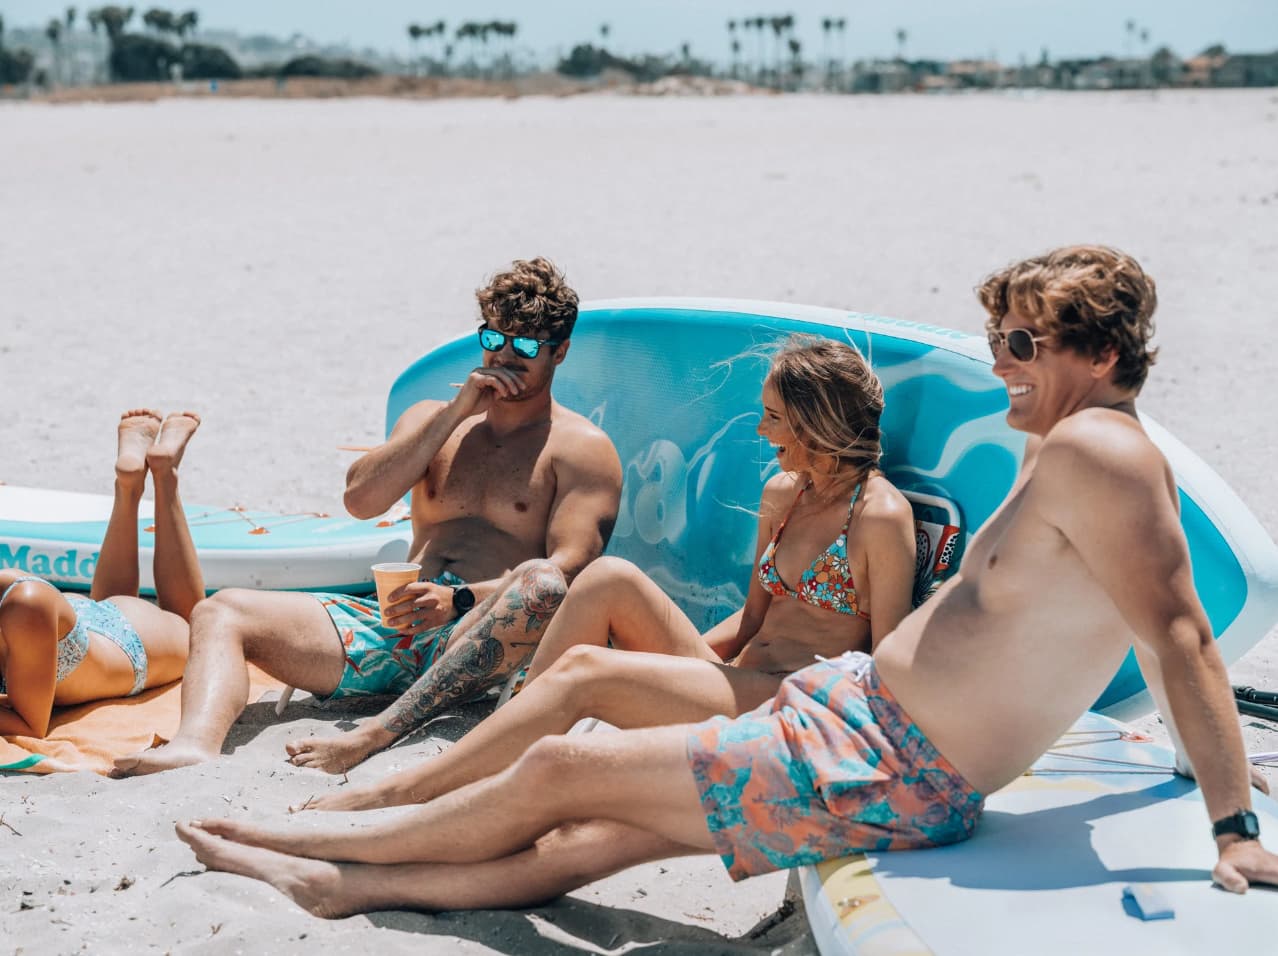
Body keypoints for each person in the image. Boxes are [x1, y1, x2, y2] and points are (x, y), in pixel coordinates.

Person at [174, 246, 1278, 915]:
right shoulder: (1073, 450)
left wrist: (1230, 821)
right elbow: (1131, 625)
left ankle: (320, 839)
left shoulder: (1104, 457)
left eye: (1022, 343)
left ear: (1096, 349)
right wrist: (1193, 761)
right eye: (995, 336)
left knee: (564, 766)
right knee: (608, 832)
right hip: (858, 721)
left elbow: (1177, 634)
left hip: (879, 762)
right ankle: (358, 880)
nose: (998, 360)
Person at [304, 334, 919, 812]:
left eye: (775, 418)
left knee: (587, 669)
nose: (762, 431)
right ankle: (506, 740)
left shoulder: (880, 517)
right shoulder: (786, 491)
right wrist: (672, 668)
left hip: (793, 700)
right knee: (608, 579)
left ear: (818, 423)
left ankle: (411, 786)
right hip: (734, 679)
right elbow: (754, 619)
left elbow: (888, 670)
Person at [113, 257, 622, 776]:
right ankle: (195, 745)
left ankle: (379, 732)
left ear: (560, 352)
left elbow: (568, 570)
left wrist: (459, 598)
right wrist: (454, 415)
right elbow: (361, 500)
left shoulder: (579, 448)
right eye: (495, 339)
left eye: (529, 347)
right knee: (221, 611)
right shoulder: (432, 419)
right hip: (392, 628)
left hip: (483, 634)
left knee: (539, 582)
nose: (507, 357)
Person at [0, 410, 201, 738]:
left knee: (197, 631)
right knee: (108, 602)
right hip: (84, 624)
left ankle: (166, 475)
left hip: (131, 645)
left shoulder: (24, 605)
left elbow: (30, 725)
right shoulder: (19, 597)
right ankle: (130, 484)